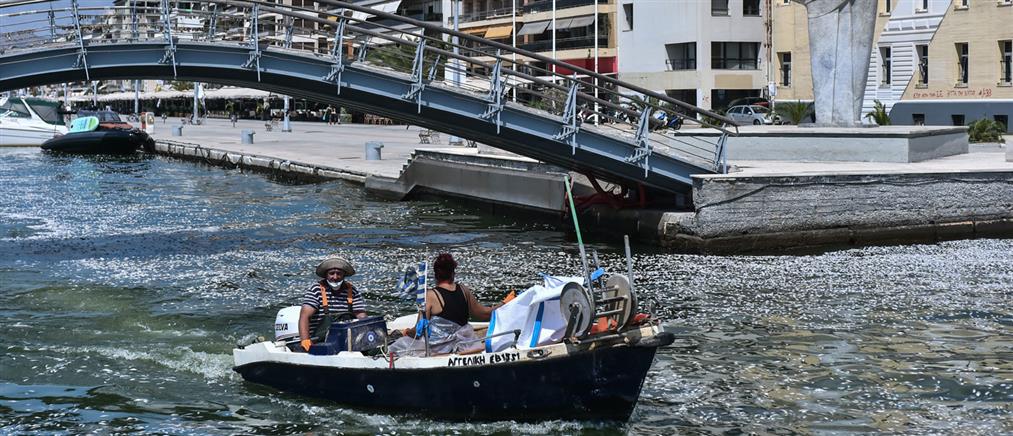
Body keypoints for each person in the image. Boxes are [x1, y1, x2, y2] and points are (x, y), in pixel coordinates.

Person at [297, 256, 367, 352]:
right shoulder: (316, 290)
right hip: (320, 342)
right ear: (326, 275)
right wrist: (305, 341)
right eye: (331, 273)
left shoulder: (352, 290)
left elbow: (361, 316)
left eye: (339, 274)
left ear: (344, 275)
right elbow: (304, 317)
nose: (335, 277)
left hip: (347, 341)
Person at [425, 253, 508, 326]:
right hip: (466, 341)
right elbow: (484, 314)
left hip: (443, 344)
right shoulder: (463, 290)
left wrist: (411, 331)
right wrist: (505, 303)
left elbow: (418, 332)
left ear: (436, 275)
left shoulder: (430, 296)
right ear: (453, 273)